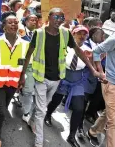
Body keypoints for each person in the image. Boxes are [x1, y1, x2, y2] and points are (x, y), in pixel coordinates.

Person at [19, 8, 102, 147]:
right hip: (41, 78)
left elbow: (78, 50)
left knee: (43, 105)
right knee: (42, 110)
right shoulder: (39, 33)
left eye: (61, 18)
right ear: (49, 17)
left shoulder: (65, 33)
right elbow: (29, 54)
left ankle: (32, 120)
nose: (59, 20)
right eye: (56, 17)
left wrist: (93, 69)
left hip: (57, 79)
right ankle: (39, 142)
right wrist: (22, 75)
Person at [0, 15, 29, 147]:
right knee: (1, 111)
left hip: (12, 83)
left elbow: (25, 63)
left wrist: (22, 77)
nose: (13, 25)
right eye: (10, 23)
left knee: (1, 107)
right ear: (4, 26)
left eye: (16, 22)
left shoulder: (25, 44)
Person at [44, 25, 94, 147]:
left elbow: (92, 66)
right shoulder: (64, 46)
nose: (82, 36)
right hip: (63, 76)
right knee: (56, 99)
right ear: (73, 34)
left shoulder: (89, 50)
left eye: (84, 34)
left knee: (79, 108)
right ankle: (48, 114)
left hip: (78, 80)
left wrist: (92, 59)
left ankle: (71, 135)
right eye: (79, 33)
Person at [87, 12, 115, 147]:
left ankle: (93, 131)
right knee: (114, 122)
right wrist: (101, 73)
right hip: (111, 84)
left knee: (109, 114)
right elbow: (96, 52)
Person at [19, 14, 39, 124]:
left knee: (28, 91)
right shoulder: (19, 31)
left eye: (36, 20)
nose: (34, 22)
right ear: (26, 21)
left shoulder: (40, 34)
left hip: (31, 66)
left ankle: (26, 112)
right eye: (32, 20)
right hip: (18, 63)